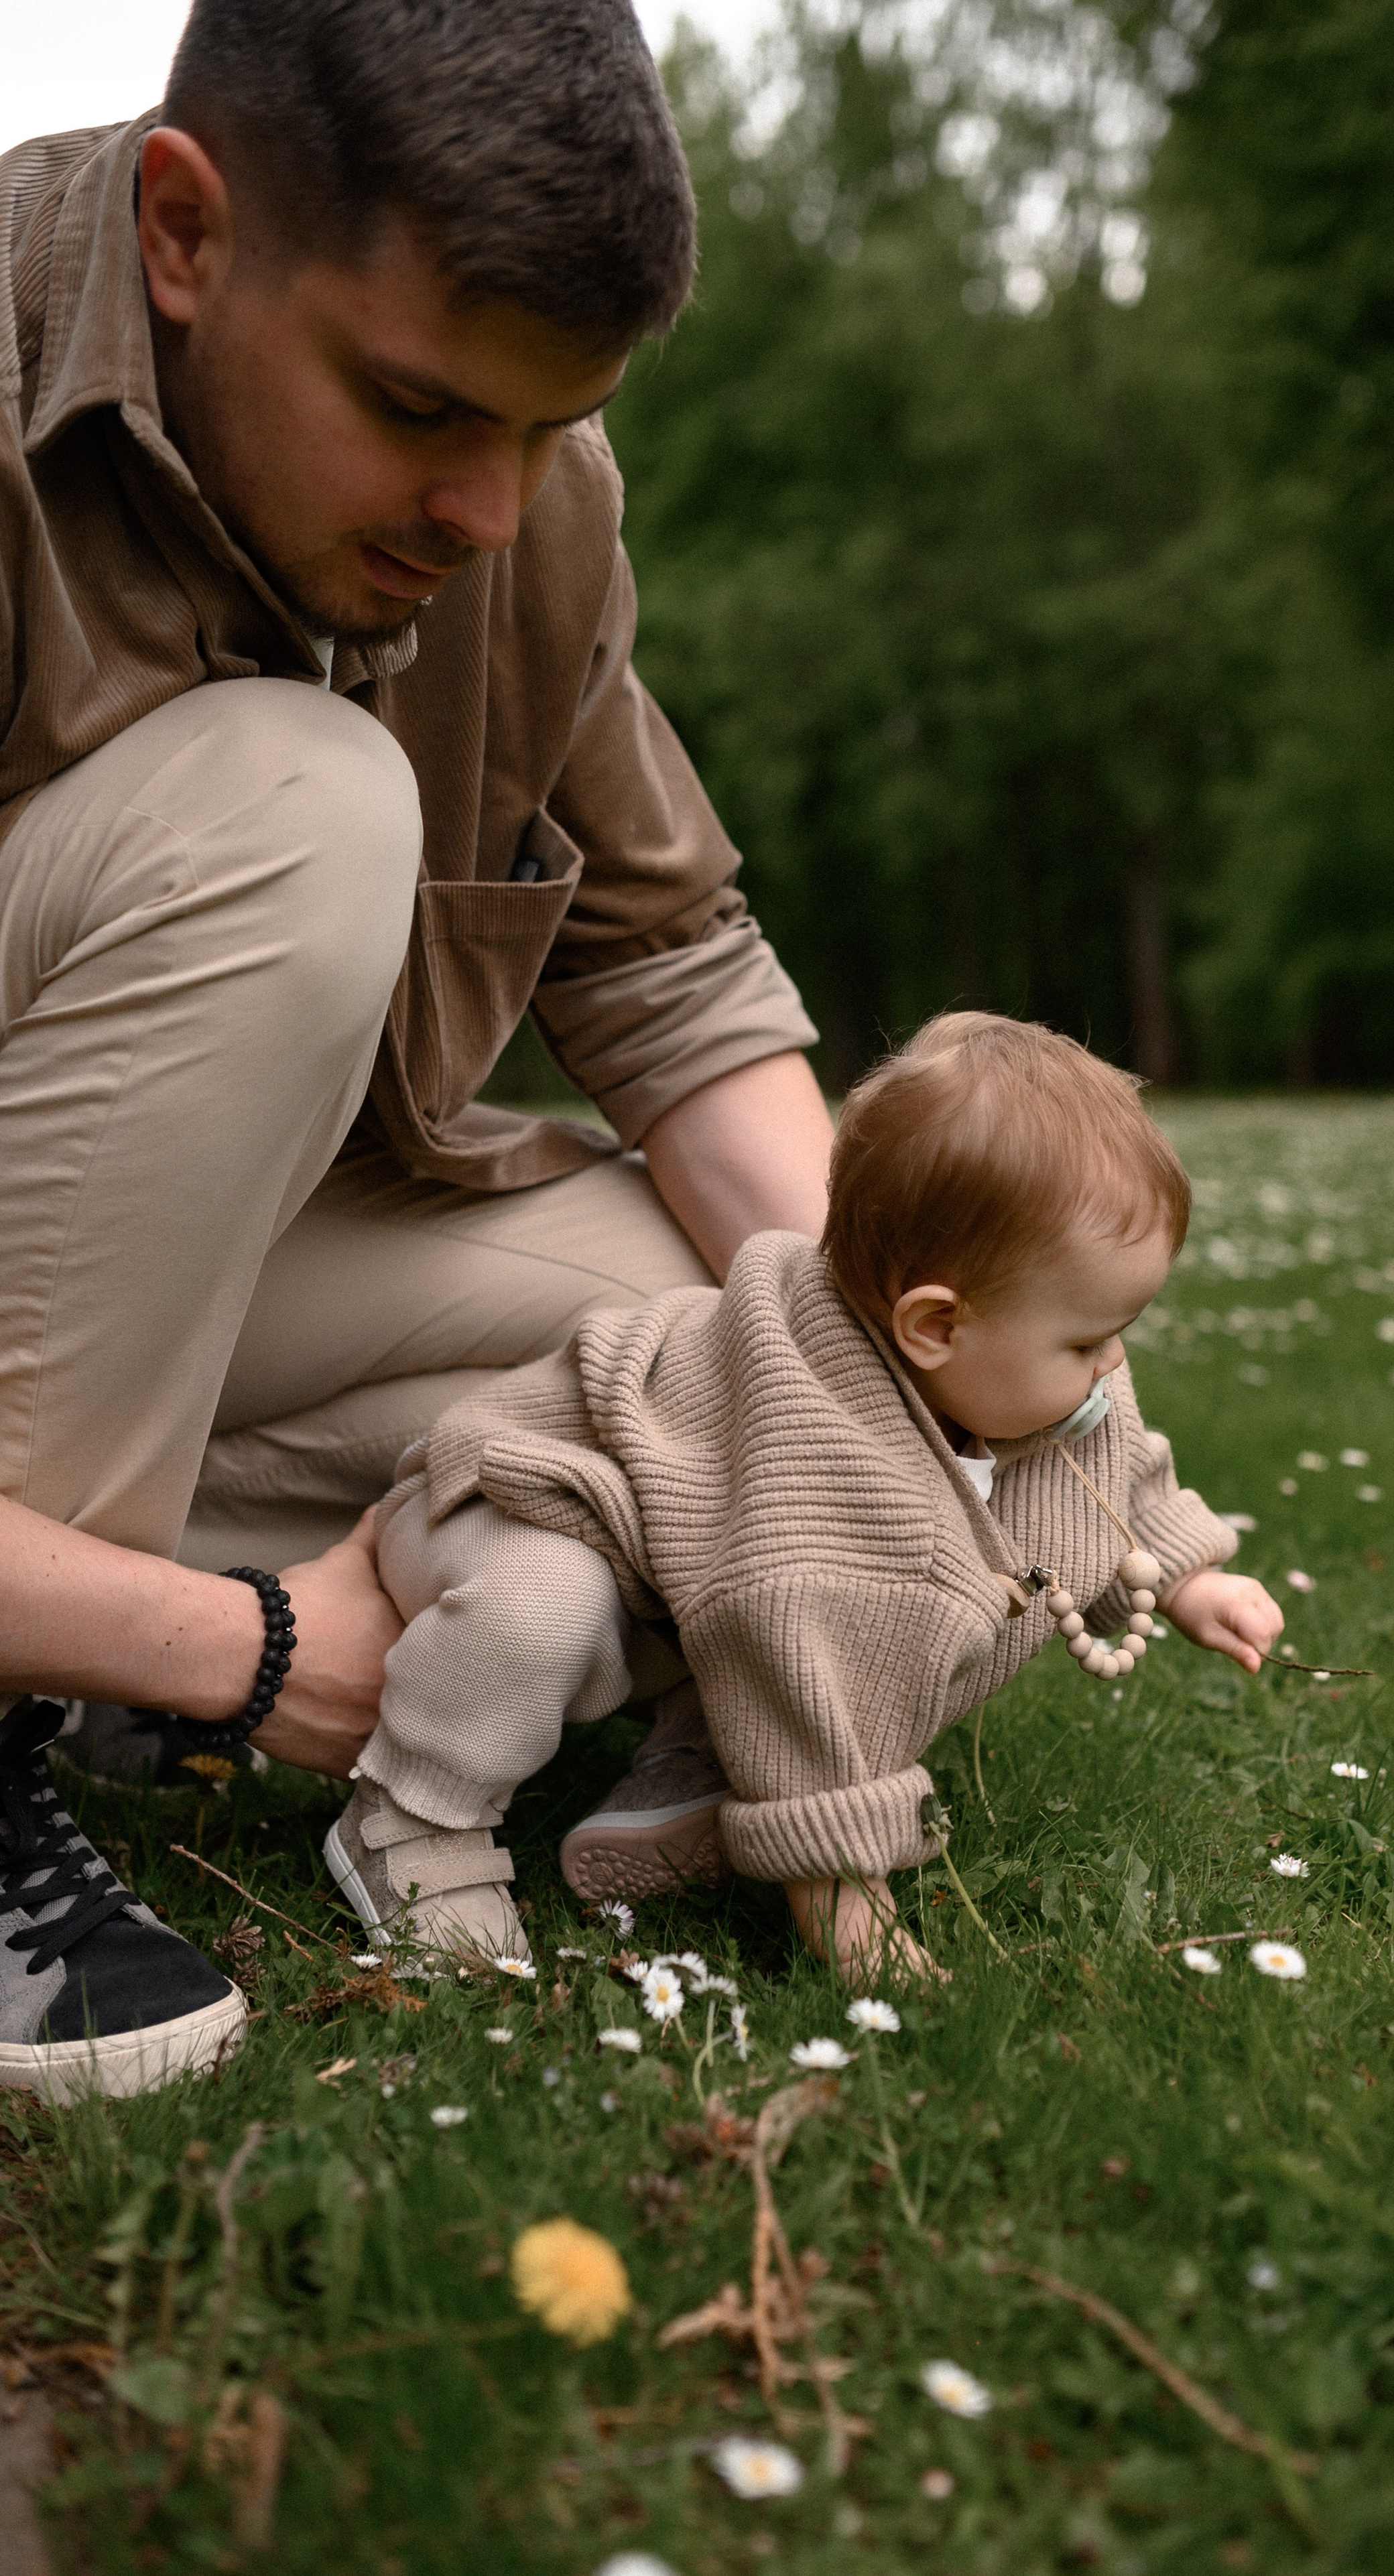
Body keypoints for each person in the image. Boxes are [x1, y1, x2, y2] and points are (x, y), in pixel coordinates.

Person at [0, 0, 833, 2101]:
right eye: (422, 407)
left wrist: (909, 1382)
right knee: (298, 806)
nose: (490, 507)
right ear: (186, 233)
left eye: (553, 432)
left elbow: (665, 956)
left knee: (731, 1369)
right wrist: (256, 1653)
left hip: (177, 1301)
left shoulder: (518, 508)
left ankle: (87, 1668)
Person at [326, 1014, 1285, 1981]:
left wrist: (1184, 1569)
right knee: (548, 1614)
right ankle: (417, 1813)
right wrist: (848, 1913)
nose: (1111, 1362)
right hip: (519, 1499)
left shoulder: (1015, 1383)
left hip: (679, 1557)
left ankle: (691, 1764)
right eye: (1085, 1343)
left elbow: (1107, 1466)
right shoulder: (819, 1482)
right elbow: (804, 1632)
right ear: (936, 1326)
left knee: (745, 1637)